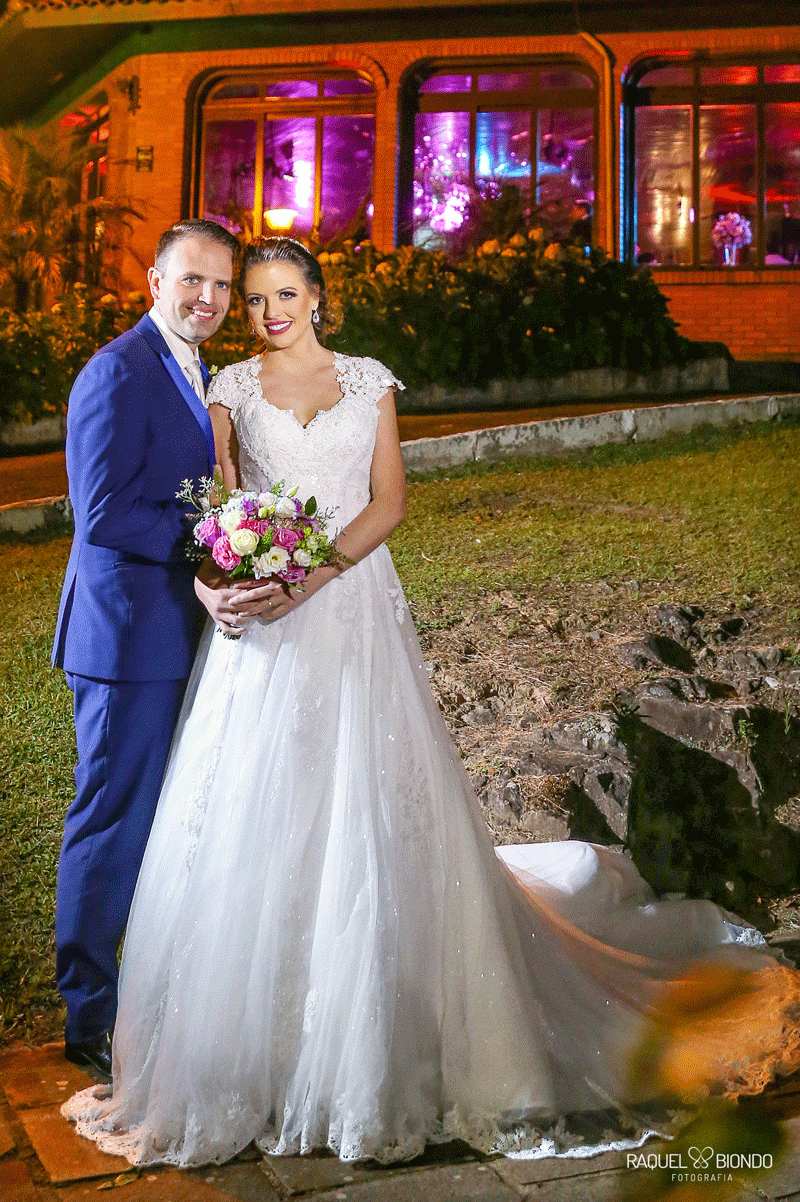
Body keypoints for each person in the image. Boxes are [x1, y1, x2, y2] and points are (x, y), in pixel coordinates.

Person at [62, 236, 800, 1166]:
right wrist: (243, 574)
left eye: (278, 293)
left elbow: (389, 502)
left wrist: (316, 573)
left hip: (352, 606)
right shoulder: (228, 389)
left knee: (372, 800)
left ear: (319, 297)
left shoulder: (369, 380)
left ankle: (385, 1025)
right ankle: (242, 1039)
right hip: (263, 621)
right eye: (249, 297)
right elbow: (221, 503)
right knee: (250, 811)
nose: (262, 310)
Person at [51, 218, 266, 1081]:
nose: (208, 299)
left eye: (221, 286)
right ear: (153, 280)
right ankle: (88, 1016)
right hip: (124, 640)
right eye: (193, 281)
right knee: (110, 822)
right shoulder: (115, 371)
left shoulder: (195, 370)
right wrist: (215, 544)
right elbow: (102, 512)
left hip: (177, 632)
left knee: (164, 821)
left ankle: (147, 993)